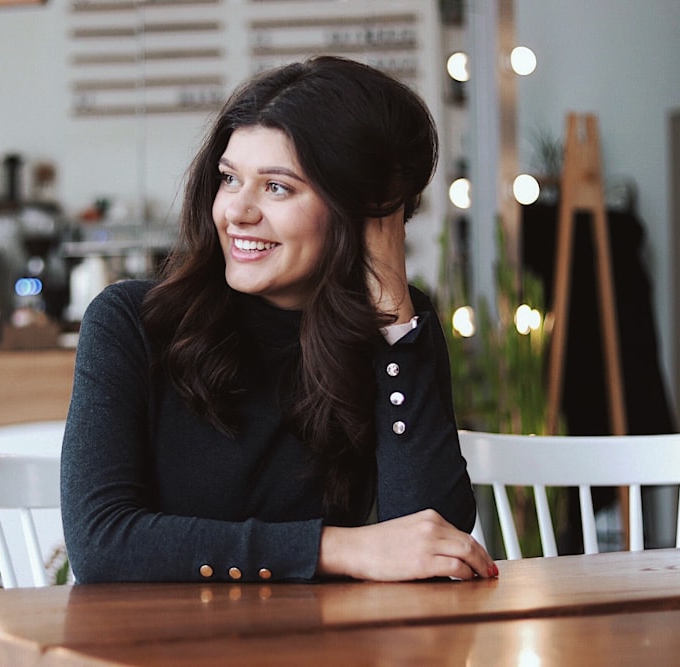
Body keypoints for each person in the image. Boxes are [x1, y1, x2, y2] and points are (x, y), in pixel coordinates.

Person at [60, 55, 496, 584]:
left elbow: (433, 541)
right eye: (229, 179)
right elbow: (102, 546)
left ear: (358, 211)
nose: (236, 212)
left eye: (277, 187)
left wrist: (392, 307)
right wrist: (333, 549)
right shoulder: (130, 322)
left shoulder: (392, 329)